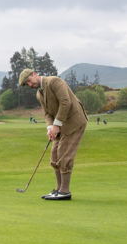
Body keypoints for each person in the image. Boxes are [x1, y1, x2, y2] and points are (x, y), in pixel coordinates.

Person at [19, 68, 88, 200]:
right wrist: (50, 128)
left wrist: (57, 125)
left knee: (64, 154)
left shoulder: (54, 82)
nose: (30, 85)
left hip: (74, 121)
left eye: (29, 81)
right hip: (60, 124)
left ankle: (65, 191)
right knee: (54, 155)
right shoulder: (39, 93)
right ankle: (58, 189)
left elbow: (65, 102)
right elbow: (47, 113)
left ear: (34, 74)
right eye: (26, 84)